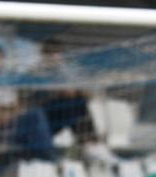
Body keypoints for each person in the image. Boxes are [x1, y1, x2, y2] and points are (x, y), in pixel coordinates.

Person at [30, 38, 119, 166]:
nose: (53, 57)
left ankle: (91, 144)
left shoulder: (68, 71)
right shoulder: (36, 73)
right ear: (43, 54)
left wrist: (77, 91)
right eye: (49, 53)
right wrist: (58, 93)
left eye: (56, 53)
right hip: (44, 118)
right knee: (75, 104)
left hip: (65, 113)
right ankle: (91, 144)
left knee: (77, 103)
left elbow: (90, 94)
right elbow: (31, 100)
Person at [0, 44, 54, 162]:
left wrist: (8, 110)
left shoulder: (6, 84)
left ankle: (42, 159)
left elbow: (17, 108)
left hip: (10, 127)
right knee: (35, 116)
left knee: (38, 115)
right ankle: (47, 158)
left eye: (1, 59)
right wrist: (10, 110)